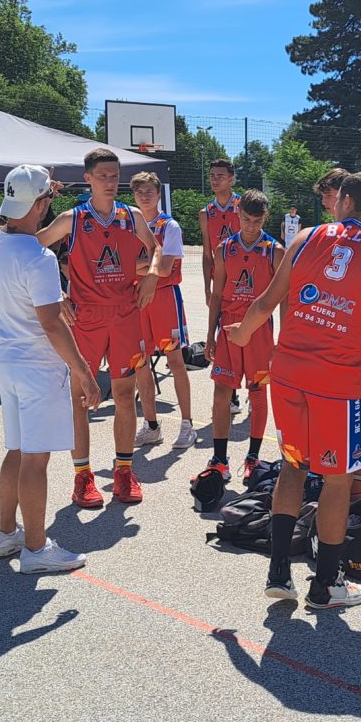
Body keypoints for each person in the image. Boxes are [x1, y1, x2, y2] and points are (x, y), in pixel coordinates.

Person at [227, 172, 361, 609]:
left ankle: (279, 573)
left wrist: (242, 333)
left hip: (289, 371)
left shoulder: (306, 238)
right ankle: (326, 586)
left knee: (293, 467)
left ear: (347, 200)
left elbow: (266, 301)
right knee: (337, 480)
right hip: (336, 382)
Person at [0, 163, 100, 574]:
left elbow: (26, 217)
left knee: (16, 448)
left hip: (6, 355)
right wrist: (83, 371)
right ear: (41, 204)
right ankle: (35, 547)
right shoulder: (39, 258)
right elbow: (52, 323)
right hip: (37, 363)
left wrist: (42, 190)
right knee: (36, 458)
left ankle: (5, 532)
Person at [36, 148, 162, 508]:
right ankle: (82, 476)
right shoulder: (71, 219)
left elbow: (156, 249)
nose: (110, 182)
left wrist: (152, 275)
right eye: (103, 176)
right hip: (85, 318)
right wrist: (55, 292)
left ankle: (123, 471)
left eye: (115, 176)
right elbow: (31, 250)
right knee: (81, 398)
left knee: (124, 395)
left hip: (125, 315)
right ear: (88, 179)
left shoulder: (131, 215)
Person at [204, 189, 284, 482]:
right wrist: (210, 335)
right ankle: (219, 459)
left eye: (257, 221)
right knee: (221, 391)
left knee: (258, 390)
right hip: (228, 327)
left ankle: (253, 457)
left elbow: (284, 297)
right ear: (238, 214)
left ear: (266, 217)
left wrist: (282, 339)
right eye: (246, 219)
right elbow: (217, 295)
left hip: (259, 328)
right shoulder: (224, 249)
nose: (251, 226)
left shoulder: (275, 250)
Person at [314, 167, 361, 482]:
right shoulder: (333, 231)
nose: (326, 203)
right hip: (336, 324)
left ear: (346, 197)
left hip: (357, 327)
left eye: (330, 196)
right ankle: (340, 454)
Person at [128, 171, 197, 450]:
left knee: (175, 361)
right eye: (139, 192)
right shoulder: (129, 225)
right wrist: (146, 265)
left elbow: (166, 269)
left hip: (165, 298)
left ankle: (187, 424)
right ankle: (152, 426)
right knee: (140, 362)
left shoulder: (169, 226)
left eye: (149, 191)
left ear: (159, 194)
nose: (144, 196)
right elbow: (122, 267)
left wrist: (136, 266)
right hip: (137, 300)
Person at [198, 159, 244, 415]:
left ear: (231, 179)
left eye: (220, 176)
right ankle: (232, 394)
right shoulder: (206, 213)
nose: (215, 180)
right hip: (222, 283)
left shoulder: (243, 206)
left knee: (248, 332)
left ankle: (255, 388)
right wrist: (207, 288)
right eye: (212, 175)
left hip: (245, 281)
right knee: (224, 336)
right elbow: (207, 254)